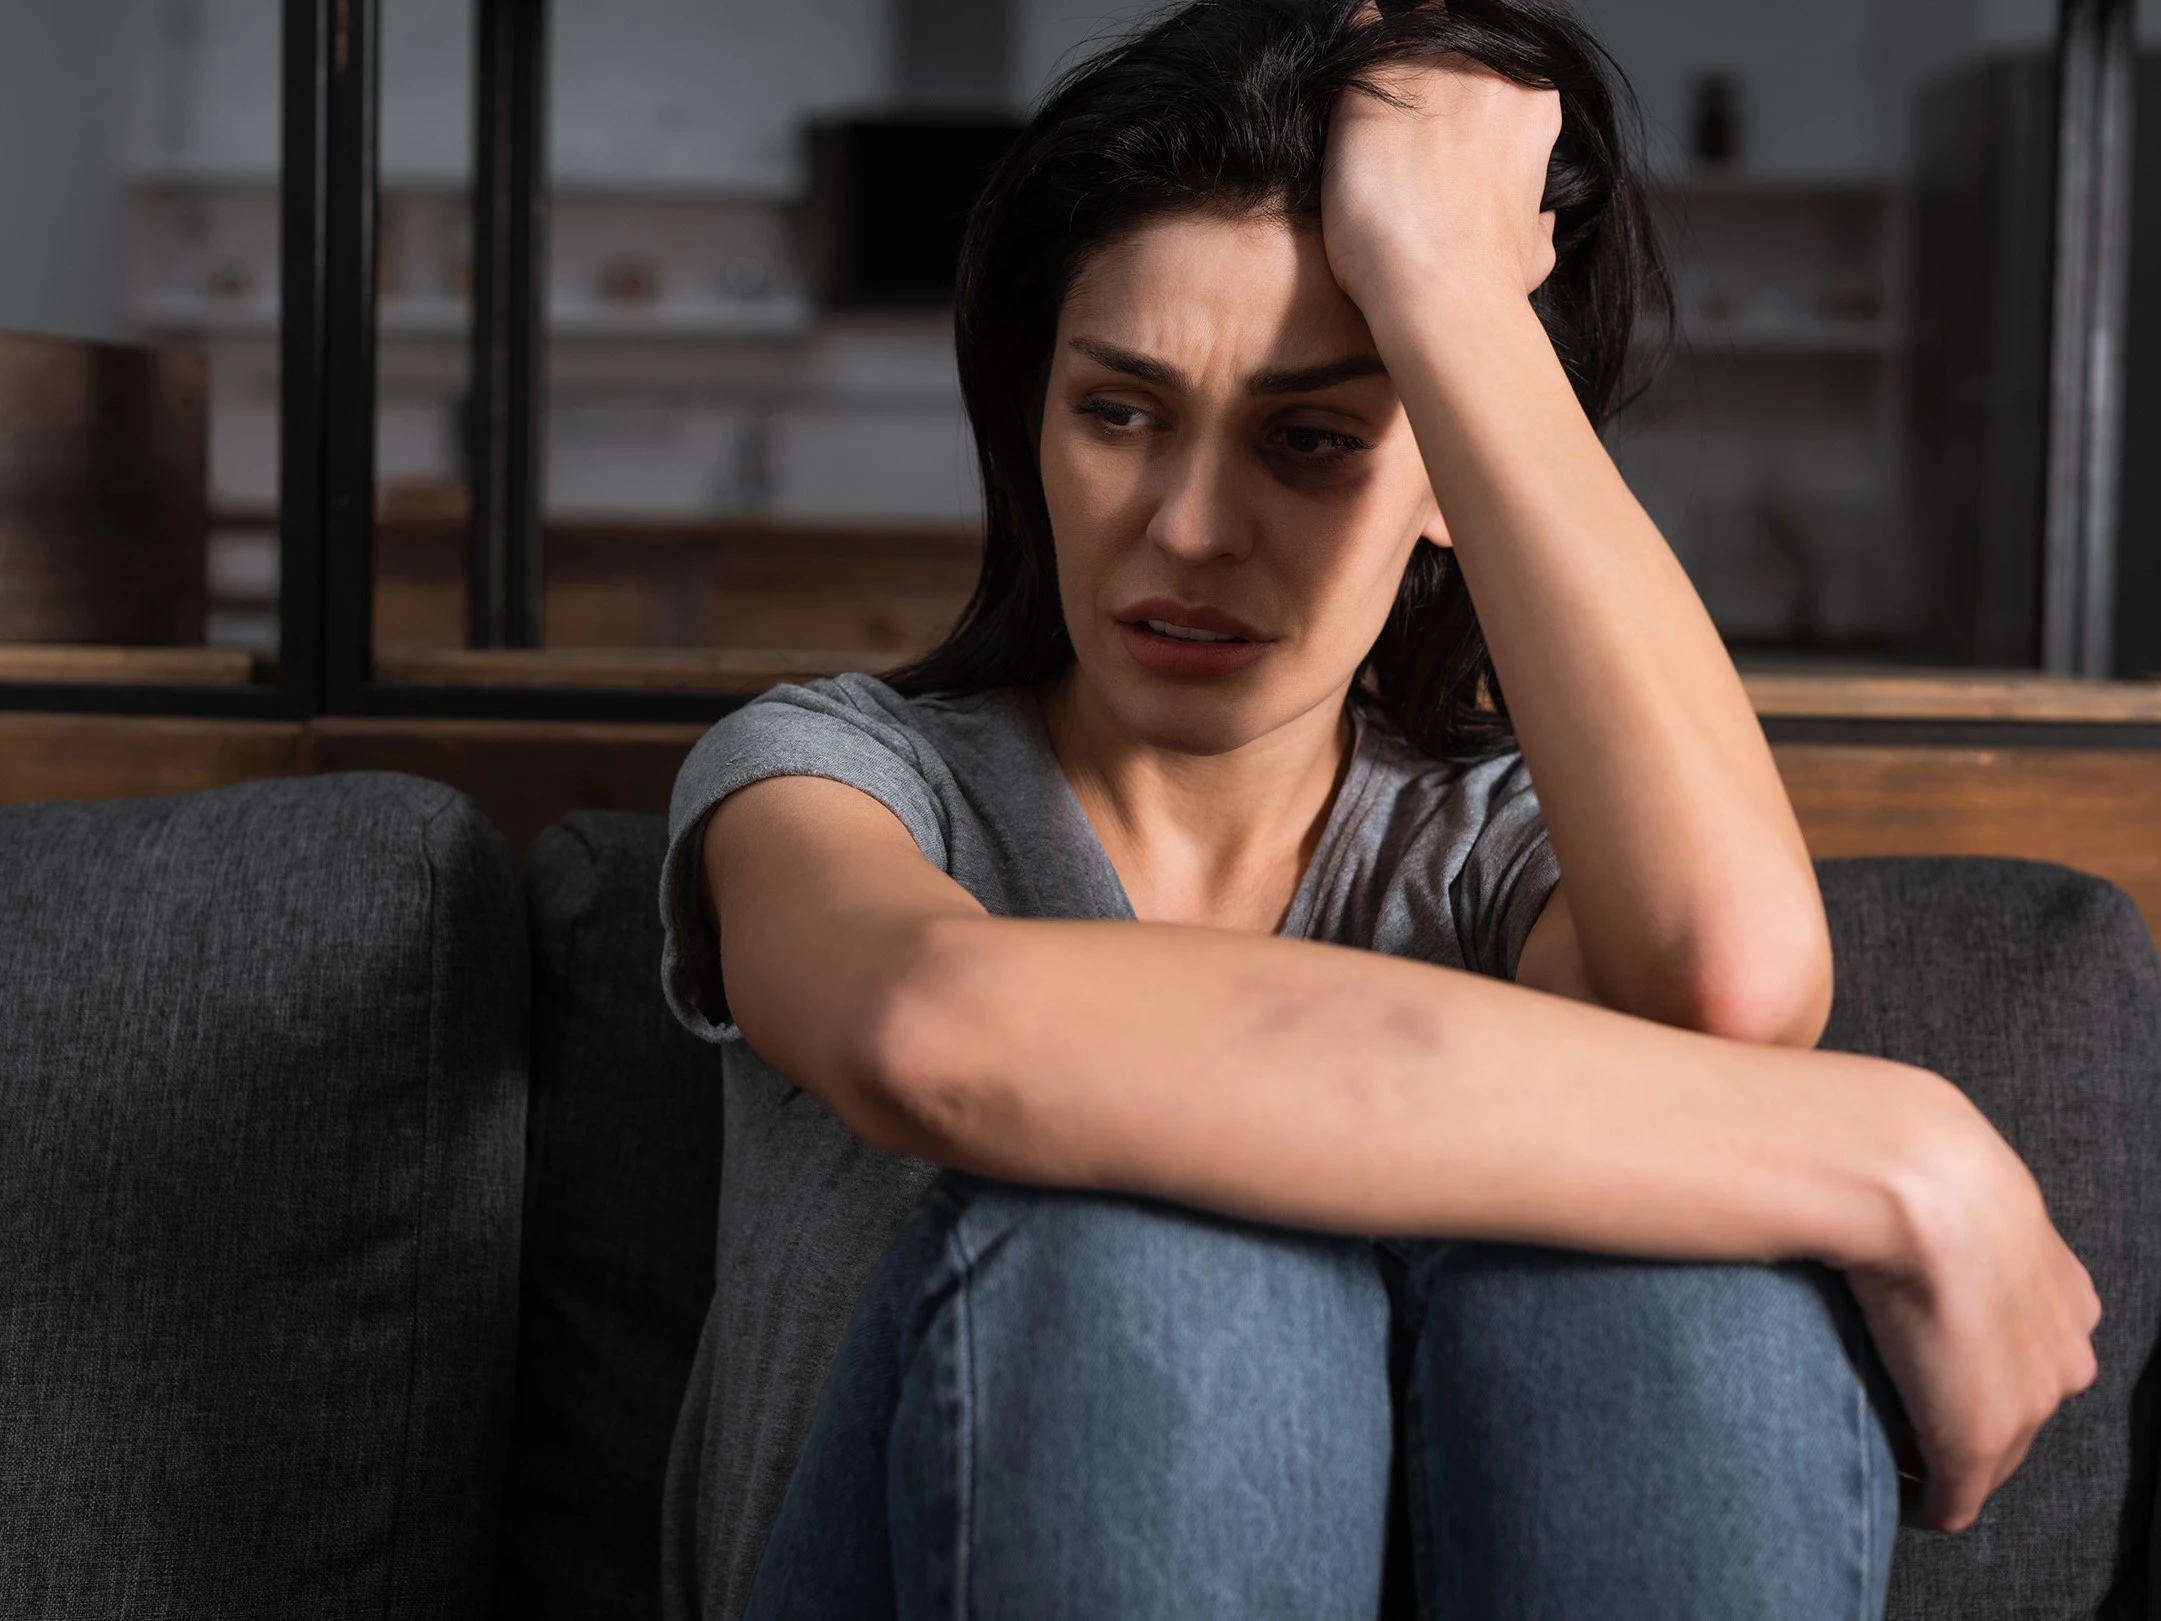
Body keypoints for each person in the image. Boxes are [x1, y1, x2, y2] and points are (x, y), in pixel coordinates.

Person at [655, 2, 2100, 1616]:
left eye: (1317, 441)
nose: (1191, 529)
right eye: (1116, 412)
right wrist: (1896, 1151)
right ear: (1030, 420)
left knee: (1681, 1281)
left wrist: (1450, 290)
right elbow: (935, 1024)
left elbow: (1729, 990)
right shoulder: (840, 775)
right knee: (1161, 1250)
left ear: (1445, 480)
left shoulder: (1487, 852)